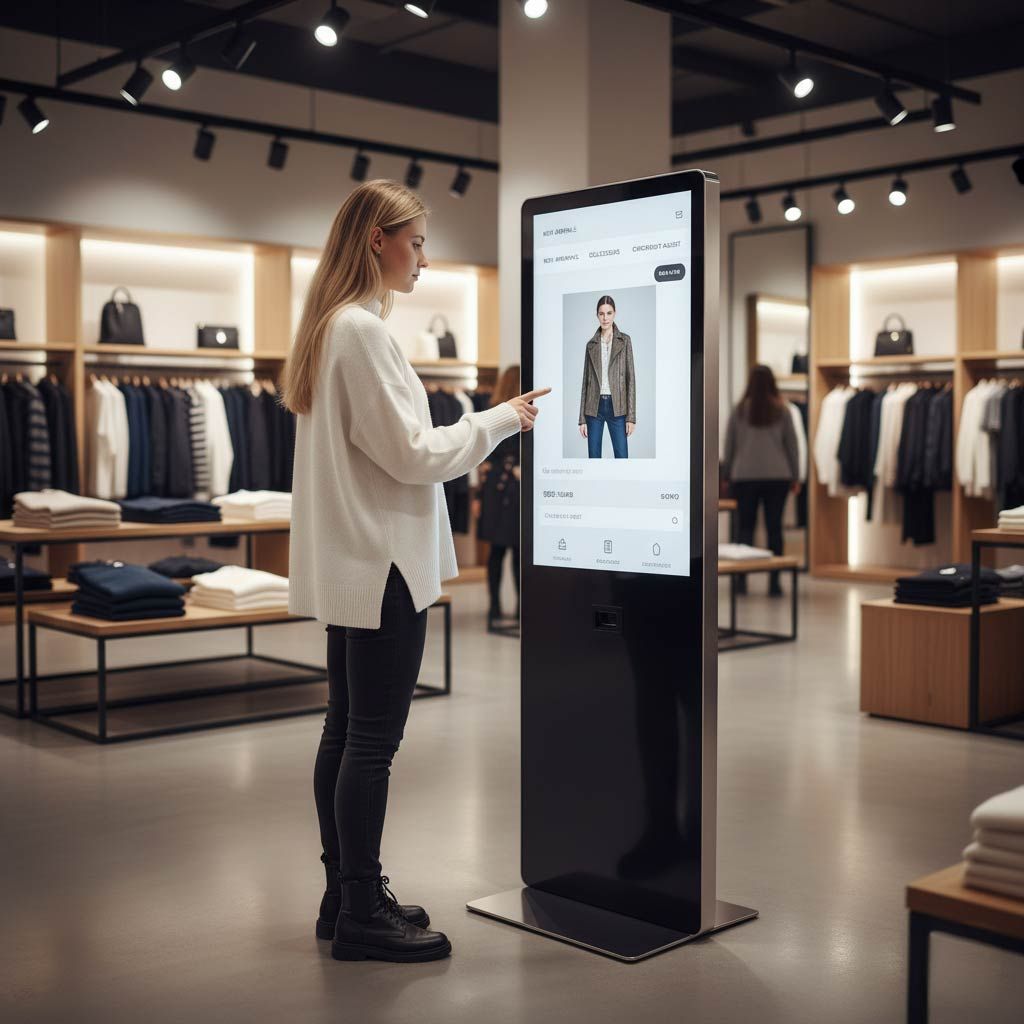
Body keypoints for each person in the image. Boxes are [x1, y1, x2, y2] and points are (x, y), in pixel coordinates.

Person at [282, 180, 550, 964]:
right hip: (385, 564)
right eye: (418, 243)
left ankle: (347, 894)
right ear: (377, 240)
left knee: (346, 729)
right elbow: (412, 454)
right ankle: (362, 908)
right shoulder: (360, 333)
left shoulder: (333, 329)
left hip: (359, 560)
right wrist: (503, 418)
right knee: (371, 741)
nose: (425, 259)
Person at [723, 364, 800, 596]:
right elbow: (792, 446)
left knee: (744, 528)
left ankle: (740, 581)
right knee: (774, 528)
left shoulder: (739, 410)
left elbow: (729, 446)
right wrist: (796, 476)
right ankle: (774, 583)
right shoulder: (782, 410)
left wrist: (727, 474)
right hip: (777, 477)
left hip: (744, 476)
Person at [477, 365, 522, 632]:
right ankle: (518, 608)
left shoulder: (492, 412)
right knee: (514, 551)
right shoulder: (518, 413)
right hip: (512, 488)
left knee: (497, 551)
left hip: (495, 488)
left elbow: (486, 455)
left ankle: (495, 607)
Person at [577, 294, 636, 458]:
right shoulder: (591, 345)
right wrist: (582, 418)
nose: (605, 318)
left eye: (609, 313)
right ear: (597, 315)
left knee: (622, 457)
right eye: (601, 313)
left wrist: (631, 417)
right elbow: (585, 383)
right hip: (593, 408)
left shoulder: (625, 341)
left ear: (614, 313)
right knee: (594, 457)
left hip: (617, 407)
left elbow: (631, 380)